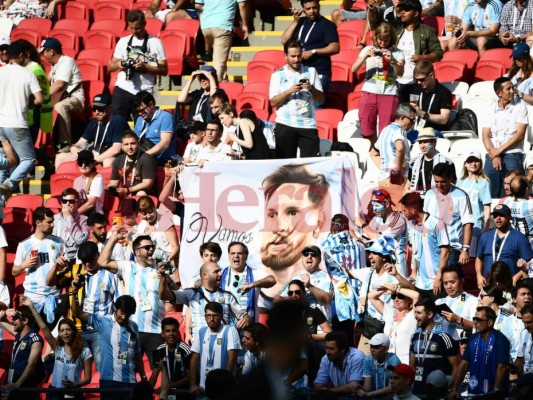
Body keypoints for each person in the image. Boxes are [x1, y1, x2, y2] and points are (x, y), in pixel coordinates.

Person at [259, 164, 329, 300]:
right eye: (272, 215)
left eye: (292, 213)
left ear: (319, 224)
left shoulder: (326, 280)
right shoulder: (251, 283)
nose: (278, 227)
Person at [98, 231, 165, 366]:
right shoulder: (128, 266)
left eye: (152, 247)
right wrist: (114, 238)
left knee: (161, 370)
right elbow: (102, 261)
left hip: (156, 332)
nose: (151, 249)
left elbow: (174, 287)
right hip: (131, 330)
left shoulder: (160, 269)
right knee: (126, 367)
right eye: (147, 247)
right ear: (137, 252)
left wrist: (167, 273)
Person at [52, 241, 120, 371]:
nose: (87, 264)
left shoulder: (110, 276)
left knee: (102, 366)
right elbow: (50, 282)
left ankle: (102, 389)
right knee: (73, 368)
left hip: (100, 330)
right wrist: (56, 267)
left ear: (98, 255)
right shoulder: (75, 271)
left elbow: (118, 304)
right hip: (78, 329)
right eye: (84, 261)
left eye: (90, 260)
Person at [71, 295, 147, 400]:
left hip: (130, 381)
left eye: (127, 315)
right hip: (109, 382)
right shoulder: (103, 322)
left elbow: (137, 353)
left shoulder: (134, 326)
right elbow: (78, 313)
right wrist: (73, 293)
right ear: (116, 308)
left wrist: (143, 376)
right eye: (122, 313)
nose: (124, 317)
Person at [20, 297, 92, 400]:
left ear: (74, 332)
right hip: (55, 393)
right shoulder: (57, 348)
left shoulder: (85, 351)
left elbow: (88, 378)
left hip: (73, 393)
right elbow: (44, 327)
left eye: (68, 330)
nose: (65, 333)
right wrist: (32, 306)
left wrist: (75, 384)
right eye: (62, 331)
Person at [159, 262, 251, 340]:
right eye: (216, 272)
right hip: (199, 345)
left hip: (222, 343)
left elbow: (244, 315)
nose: (220, 274)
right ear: (205, 276)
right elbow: (163, 295)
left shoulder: (228, 295)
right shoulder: (191, 294)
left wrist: (246, 318)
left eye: (220, 271)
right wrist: (163, 278)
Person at [0, 39, 43, 198]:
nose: (27, 58)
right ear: (20, 55)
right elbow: (39, 99)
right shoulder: (28, 73)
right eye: (25, 55)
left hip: (1, 124)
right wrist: (27, 101)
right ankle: (9, 185)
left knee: (5, 160)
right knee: (29, 159)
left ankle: (1, 192)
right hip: (17, 123)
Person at [351, 22, 405, 149]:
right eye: (380, 39)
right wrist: (365, 56)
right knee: (366, 123)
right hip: (370, 91)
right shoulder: (368, 49)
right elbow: (354, 69)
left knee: (386, 128)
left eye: (386, 40)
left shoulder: (398, 53)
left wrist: (392, 60)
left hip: (388, 92)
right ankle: (371, 150)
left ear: (391, 38)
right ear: (376, 38)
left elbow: (400, 73)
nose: (383, 43)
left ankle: (382, 151)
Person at [269, 39, 324, 159]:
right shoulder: (278, 74)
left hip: (307, 125)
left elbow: (321, 98)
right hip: (285, 124)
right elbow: (273, 102)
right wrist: (288, 92)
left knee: (311, 165)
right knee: (285, 165)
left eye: (299, 56)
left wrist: (311, 88)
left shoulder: (311, 71)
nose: (296, 59)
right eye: (293, 56)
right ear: (285, 56)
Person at [109, 9, 167, 120]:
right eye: (131, 28)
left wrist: (145, 67)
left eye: (137, 28)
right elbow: (111, 66)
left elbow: (164, 70)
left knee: (141, 126)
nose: (134, 31)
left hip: (144, 91)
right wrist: (121, 64)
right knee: (117, 123)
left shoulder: (155, 42)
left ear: (144, 24)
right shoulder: (123, 41)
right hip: (123, 88)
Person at [449, 306, 511, 396]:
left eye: (478, 319)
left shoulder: (500, 339)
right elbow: (464, 365)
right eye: (474, 319)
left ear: (490, 322)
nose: (475, 322)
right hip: (474, 389)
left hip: (492, 392)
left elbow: (501, 368)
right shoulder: (473, 338)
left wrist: (495, 393)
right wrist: (454, 389)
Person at [55, 94, 129, 169]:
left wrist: (94, 160)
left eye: (100, 108)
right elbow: (80, 143)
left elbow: (116, 149)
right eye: (94, 108)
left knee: (108, 161)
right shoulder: (93, 122)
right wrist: (75, 149)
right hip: (94, 156)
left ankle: (106, 180)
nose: (96, 112)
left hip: (112, 157)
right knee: (60, 157)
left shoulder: (118, 121)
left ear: (110, 107)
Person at [483, 77, 528, 198]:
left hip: (513, 153)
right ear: (499, 93)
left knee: (516, 188)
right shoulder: (489, 110)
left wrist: (498, 151)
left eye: (513, 87)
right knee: (488, 189)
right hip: (493, 154)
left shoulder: (520, 107)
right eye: (509, 89)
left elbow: (520, 135)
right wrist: (494, 154)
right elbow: (485, 136)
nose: (513, 91)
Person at [281, 0, 340, 93]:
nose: (312, 11)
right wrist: (295, 21)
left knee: (315, 104)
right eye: (308, 9)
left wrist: (314, 51)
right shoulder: (299, 22)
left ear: (319, 7)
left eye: (314, 8)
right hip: (299, 71)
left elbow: (335, 47)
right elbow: (284, 40)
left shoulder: (327, 24)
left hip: (318, 72)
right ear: (303, 9)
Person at [13, 207, 64, 315]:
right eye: (49, 222)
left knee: (54, 331)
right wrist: (23, 265)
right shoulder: (24, 245)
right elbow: (14, 272)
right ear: (38, 223)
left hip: (54, 295)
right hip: (33, 297)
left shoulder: (59, 242)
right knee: (31, 330)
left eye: (53, 221)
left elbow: (65, 267)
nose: (53, 225)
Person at [400, 192, 450, 297]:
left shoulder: (436, 223)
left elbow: (445, 252)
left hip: (435, 283)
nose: (402, 213)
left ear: (413, 210)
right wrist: (414, 273)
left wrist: (438, 278)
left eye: (404, 210)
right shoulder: (412, 226)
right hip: (420, 283)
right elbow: (416, 251)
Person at [423, 162, 474, 265]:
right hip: (431, 247)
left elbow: (468, 223)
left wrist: (465, 249)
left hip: (452, 249)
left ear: (450, 178)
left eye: (442, 182)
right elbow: (425, 219)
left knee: (448, 280)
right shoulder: (429, 194)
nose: (439, 185)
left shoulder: (461, 196)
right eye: (436, 181)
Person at [394, 0, 443, 103]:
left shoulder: (428, 31)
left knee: (414, 110)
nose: (402, 12)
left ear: (416, 13)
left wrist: (422, 58)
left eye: (406, 10)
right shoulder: (395, 30)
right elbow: (375, 23)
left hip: (416, 83)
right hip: (395, 82)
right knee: (398, 113)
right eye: (401, 9)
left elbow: (438, 53)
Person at [41, 37, 84, 152]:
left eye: (44, 51)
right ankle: (43, 144)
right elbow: (45, 81)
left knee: (59, 106)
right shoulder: (55, 65)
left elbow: (59, 84)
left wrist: (41, 96)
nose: (43, 55)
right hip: (61, 97)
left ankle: (65, 145)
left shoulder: (67, 62)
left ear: (51, 51)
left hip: (75, 99)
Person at [409, 297, 459, 396]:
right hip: (418, 391)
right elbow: (412, 366)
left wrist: (450, 388)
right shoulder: (414, 336)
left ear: (430, 314)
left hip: (437, 393)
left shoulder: (444, 337)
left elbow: (456, 367)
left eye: (419, 313)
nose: (415, 316)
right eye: (415, 312)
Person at [189, 302, 241, 395]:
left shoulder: (230, 330)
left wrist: (224, 384)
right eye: (208, 316)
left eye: (215, 316)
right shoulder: (201, 332)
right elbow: (194, 359)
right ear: (205, 316)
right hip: (202, 389)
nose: (211, 319)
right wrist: (193, 384)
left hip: (223, 390)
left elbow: (232, 359)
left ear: (221, 316)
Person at [476, 204, 533, 286]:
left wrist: (517, 276)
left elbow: (529, 263)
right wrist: (479, 275)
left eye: (502, 215)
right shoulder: (485, 236)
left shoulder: (520, 238)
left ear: (509, 217)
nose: (498, 218)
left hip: (509, 285)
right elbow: (479, 258)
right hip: (489, 285)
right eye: (495, 216)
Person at [220, 242, 276, 322]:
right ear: (229, 256)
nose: (236, 256)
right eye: (233, 253)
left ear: (246, 256)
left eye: (240, 253)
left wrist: (252, 285)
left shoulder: (254, 273)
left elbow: (272, 280)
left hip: (249, 327)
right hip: (227, 325)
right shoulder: (221, 275)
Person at [195, 0, 249, 82]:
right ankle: (214, 88)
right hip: (222, 25)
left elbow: (197, 5)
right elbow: (242, 5)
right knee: (219, 63)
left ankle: (224, 83)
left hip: (206, 26)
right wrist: (245, 24)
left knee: (219, 58)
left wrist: (212, 9)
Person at [371, 103, 416, 199]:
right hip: (396, 180)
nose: (413, 124)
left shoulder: (385, 130)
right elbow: (399, 148)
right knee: (398, 212)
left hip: (384, 178)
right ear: (403, 118)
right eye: (412, 120)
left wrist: (386, 168)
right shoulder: (399, 131)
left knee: (389, 212)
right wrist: (397, 170)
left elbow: (373, 153)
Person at [0, 305, 45, 400]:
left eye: (15, 318)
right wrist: (3, 317)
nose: (12, 321)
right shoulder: (18, 335)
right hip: (14, 384)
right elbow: (4, 322)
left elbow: (31, 365)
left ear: (25, 321)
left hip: (25, 388)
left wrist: (17, 384)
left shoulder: (35, 340)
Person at [368, 279, 418, 363]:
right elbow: (371, 296)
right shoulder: (390, 313)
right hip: (388, 359)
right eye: (393, 296)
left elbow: (416, 295)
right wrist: (387, 289)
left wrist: (397, 289)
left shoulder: (413, 314)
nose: (396, 299)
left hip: (406, 360)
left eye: (400, 296)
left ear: (409, 299)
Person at [363, 189, 408, 276]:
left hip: (396, 266)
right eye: (373, 205)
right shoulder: (377, 218)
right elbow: (366, 237)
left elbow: (380, 239)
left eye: (377, 205)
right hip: (382, 266)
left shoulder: (398, 219)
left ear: (387, 204)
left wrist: (363, 225)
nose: (374, 209)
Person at [457, 150, 492, 257]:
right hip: (459, 225)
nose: (473, 163)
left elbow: (487, 207)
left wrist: (486, 227)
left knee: (472, 256)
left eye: (476, 161)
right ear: (465, 164)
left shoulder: (484, 182)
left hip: (475, 225)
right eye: (470, 161)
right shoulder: (460, 181)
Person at [136, 195, 180, 273]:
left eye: (150, 212)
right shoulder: (142, 225)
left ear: (154, 207)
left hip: (168, 264)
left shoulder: (165, 221)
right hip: (150, 266)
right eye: (144, 214)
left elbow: (176, 247)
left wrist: (166, 262)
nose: (148, 216)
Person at [313, 330, 365, 395]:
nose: (327, 352)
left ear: (342, 349)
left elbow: (354, 386)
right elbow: (319, 383)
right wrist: (323, 390)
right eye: (326, 348)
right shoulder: (325, 359)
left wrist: (328, 392)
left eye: (331, 349)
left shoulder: (357, 357)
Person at [434, 265, 477, 340]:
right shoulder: (438, 302)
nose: (449, 286)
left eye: (452, 282)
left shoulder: (472, 301)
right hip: (438, 345)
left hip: (459, 346)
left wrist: (458, 320)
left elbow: (477, 325)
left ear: (462, 281)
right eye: (445, 283)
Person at [108, 131, 157, 197]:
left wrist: (128, 190)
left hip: (143, 192)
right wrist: (112, 189)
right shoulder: (118, 160)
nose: (130, 147)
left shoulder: (146, 158)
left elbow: (148, 184)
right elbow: (114, 182)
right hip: (126, 191)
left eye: (133, 143)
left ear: (138, 144)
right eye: (126, 144)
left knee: (140, 193)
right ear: (121, 146)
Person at [409, 60, 452, 132]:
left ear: (431, 75)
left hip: (434, 132)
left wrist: (423, 114)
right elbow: (412, 107)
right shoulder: (416, 89)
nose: (419, 82)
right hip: (417, 130)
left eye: (421, 79)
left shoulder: (444, 93)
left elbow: (444, 119)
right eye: (416, 80)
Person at [149, 317, 191, 391]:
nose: (171, 334)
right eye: (167, 331)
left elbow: (190, 377)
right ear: (162, 334)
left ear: (178, 333)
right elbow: (154, 375)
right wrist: (147, 391)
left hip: (183, 392)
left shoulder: (186, 349)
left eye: (174, 330)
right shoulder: (158, 350)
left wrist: (169, 386)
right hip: (167, 391)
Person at [133, 90, 176, 165]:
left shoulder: (165, 117)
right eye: (137, 111)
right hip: (143, 155)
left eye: (142, 110)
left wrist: (144, 156)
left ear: (151, 104)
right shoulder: (140, 119)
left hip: (161, 158)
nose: (140, 113)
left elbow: (165, 143)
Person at [408, 127, 452, 193]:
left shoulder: (446, 163)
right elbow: (408, 183)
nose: (422, 146)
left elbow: (452, 184)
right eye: (420, 142)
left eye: (425, 142)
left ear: (434, 142)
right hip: (417, 200)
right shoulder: (413, 163)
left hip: (438, 199)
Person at [358, 333, 401, 399]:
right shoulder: (367, 360)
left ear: (386, 349)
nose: (372, 350)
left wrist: (369, 394)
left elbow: (391, 388)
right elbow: (367, 387)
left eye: (376, 347)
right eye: (371, 346)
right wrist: (359, 388)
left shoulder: (394, 361)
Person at [52, 188, 89, 262]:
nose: (67, 204)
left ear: (77, 203)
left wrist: (69, 218)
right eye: (64, 201)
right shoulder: (54, 219)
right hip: (55, 259)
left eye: (71, 201)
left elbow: (80, 240)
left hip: (74, 260)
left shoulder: (84, 220)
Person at [501, 282, 531, 361]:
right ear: (514, 299)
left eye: (529, 294)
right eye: (523, 294)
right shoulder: (507, 322)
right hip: (516, 368)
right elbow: (504, 348)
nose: (527, 296)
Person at [72, 150, 105, 215]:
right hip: (80, 215)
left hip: (94, 216)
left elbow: (91, 203)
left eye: (86, 162)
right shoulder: (77, 180)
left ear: (92, 164)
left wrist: (74, 215)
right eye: (80, 162)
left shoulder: (97, 178)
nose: (83, 165)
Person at [503, 175, 533, 243]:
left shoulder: (507, 202)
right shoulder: (530, 205)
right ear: (526, 189)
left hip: (514, 242)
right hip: (530, 242)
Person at [508, 42, 533, 107]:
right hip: (511, 108)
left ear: (526, 58)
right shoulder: (513, 71)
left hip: (527, 110)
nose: (517, 61)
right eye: (515, 58)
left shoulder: (532, 76)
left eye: (519, 58)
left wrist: (519, 93)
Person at [516, 303, 533, 373]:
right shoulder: (524, 333)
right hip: (525, 375)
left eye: (529, 322)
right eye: (524, 322)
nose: (526, 326)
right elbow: (520, 359)